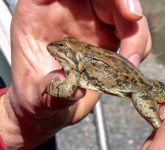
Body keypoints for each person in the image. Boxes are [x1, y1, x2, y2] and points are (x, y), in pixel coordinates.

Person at [0, 0, 151, 149]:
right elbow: (66, 90)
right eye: (61, 47)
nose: (56, 46)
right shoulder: (73, 73)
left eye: (63, 47)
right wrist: (10, 115)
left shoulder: (74, 72)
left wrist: (12, 116)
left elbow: (65, 90)